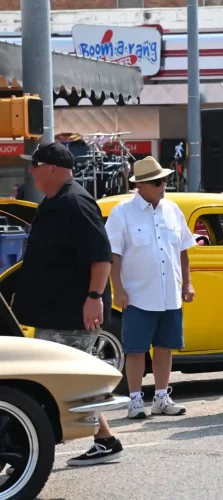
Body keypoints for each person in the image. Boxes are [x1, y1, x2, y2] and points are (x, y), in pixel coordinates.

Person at [12, 142, 123, 466]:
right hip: (55, 310)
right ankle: (105, 439)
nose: (30, 172)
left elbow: (100, 256)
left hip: (72, 312)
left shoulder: (76, 202)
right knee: (67, 382)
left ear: (52, 168)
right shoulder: (56, 201)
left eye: (35, 166)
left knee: (59, 381)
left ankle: (30, 447)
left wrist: (93, 298)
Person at [105, 156, 196, 419]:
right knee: (135, 350)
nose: (163, 185)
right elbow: (114, 254)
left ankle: (161, 397)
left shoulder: (172, 209)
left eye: (164, 180)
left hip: (169, 295)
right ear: (141, 186)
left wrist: (187, 283)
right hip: (138, 295)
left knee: (165, 347)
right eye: (157, 182)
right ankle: (135, 401)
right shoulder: (122, 213)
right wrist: (118, 289)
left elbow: (183, 250)